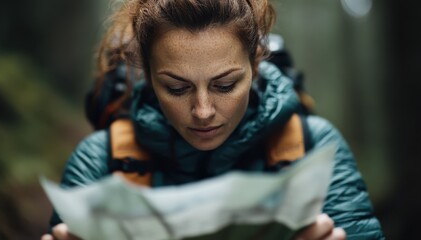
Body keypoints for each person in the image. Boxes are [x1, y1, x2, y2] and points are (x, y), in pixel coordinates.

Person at [41, 0, 384, 239]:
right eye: (176, 88)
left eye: (225, 84)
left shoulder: (314, 149)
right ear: (146, 73)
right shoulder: (101, 161)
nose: (203, 110)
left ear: (256, 63)